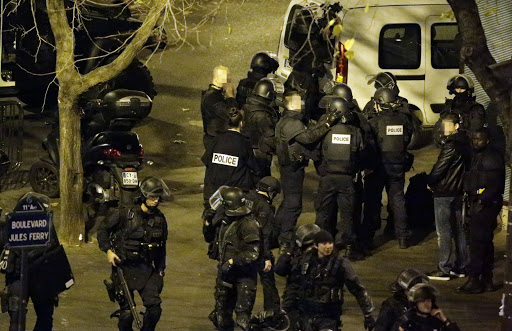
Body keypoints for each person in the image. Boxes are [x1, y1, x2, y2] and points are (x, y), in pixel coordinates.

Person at [97, 177, 170, 331]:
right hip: (124, 268)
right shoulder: (124, 214)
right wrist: (109, 251)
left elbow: (161, 246)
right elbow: (102, 230)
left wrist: (161, 269)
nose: (155, 201)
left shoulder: (159, 219)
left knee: (155, 308)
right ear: (143, 196)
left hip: (146, 269)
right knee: (127, 314)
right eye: (151, 197)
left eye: (157, 197)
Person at [274, 91, 338, 253]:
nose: (302, 104)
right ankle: (285, 241)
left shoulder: (291, 120)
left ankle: (279, 234)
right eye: (299, 102)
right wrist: (327, 124)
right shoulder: (290, 123)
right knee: (293, 205)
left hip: (291, 167)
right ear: (291, 105)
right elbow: (309, 137)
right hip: (291, 169)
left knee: (289, 202)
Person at [0, 193, 72, 331]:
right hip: (36, 276)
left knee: (18, 317)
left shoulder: (13, 224)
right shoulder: (44, 225)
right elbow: (55, 253)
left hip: (23, 276)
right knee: (40, 316)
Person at [314, 97, 367, 260]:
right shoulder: (355, 131)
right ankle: (349, 248)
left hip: (328, 178)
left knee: (323, 213)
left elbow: (316, 152)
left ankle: (321, 247)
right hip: (347, 179)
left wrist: (322, 170)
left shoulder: (325, 130)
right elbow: (361, 154)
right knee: (347, 216)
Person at [364, 87, 414, 249]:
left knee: (373, 202)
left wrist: (368, 166)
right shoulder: (404, 120)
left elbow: (370, 146)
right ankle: (402, 238)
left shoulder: (374, 122)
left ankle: (369, 237)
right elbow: (407, 139)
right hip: (397, 166)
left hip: (378, 166)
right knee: (398, 200)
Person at [206, 187, 262, 331]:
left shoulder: (248, 224)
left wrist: (232, 261)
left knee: (243, 317)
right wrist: (208, 222)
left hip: (244, 274)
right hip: (226, 273)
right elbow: (209, 238)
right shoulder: (223, 220)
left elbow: (252, 253)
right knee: (221, 315)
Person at [296, 230, 376, 330]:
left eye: (330, 243)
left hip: (328, 317)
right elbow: (293, 283)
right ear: (316, 246)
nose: (328, 246)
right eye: (324, 243)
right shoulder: (306, 260)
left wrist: (368, 313)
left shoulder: (340, 263)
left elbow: (358, 289)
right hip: (306, 314)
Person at [458, 127, 504, 294]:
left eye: (479, 139)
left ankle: (475, 280)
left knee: (478, 243)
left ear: (488, 140)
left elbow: (493, 185)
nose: (476, 142)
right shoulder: (481, 155)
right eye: (474, 139)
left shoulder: (491, 158)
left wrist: (480, 200)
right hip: (481, 203)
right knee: (484, 242)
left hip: (484, 205)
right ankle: (486, 279)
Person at [426, 113, 471, 280]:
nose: (444, 127)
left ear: (456, 126)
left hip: (444, 191)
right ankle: (462, 265)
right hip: (458, 191)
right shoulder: (465, 142)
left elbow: (440, 168)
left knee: (444, 231)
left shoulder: (451, 145)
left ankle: (444, 267)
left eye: (447, 124)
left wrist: (430, 181)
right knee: (459, 229)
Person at [202, 107, 263, 224]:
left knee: (211, 221)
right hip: (234, 194)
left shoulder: (216, 140)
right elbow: (254, 167)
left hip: (213, 191)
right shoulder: (243, 143)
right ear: (241, 123)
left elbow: (206, 160)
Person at [245, 176, 282, 313]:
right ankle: (272, 312)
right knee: (267, 280)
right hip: (257, 249)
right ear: (271, 192)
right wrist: (266, 257)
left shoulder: (246, 198)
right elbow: (265, 235)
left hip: (240, 248)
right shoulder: (265, 208)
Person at [274, 223, 321, 331]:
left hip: (314, 305)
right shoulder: (296, 254)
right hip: (294, 302)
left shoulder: (322, 259)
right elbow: (279, 270)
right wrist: (290, 252)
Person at [242, 78, 281, 178]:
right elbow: (271, 137)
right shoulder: (263, 115)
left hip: (246, 150)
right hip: (261, 155)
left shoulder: (246, 108)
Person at [433, 74, 485, 145]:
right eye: (457, 88)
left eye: (462, 89)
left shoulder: (475, 108)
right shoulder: (450, 106)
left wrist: (458, 139)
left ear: (468, 90)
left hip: (467, 146)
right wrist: (441, 139)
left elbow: (475, 130)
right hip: (450, 143)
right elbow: (439, 125)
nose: (459, 91)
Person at [394, 283, 460, 331]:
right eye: (422, 301)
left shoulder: (436, 322)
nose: (427, 304)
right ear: (415, 303)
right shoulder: (405, 322)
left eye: (428, 300)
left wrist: (445, 320)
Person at [201, 65, 238, 149]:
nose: (230, 79)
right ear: (223, 79)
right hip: (215, 141)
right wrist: (231, 97)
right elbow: (232, 114)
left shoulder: (212, 94)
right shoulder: (212, 98)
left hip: (215, 138)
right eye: (228, 76)